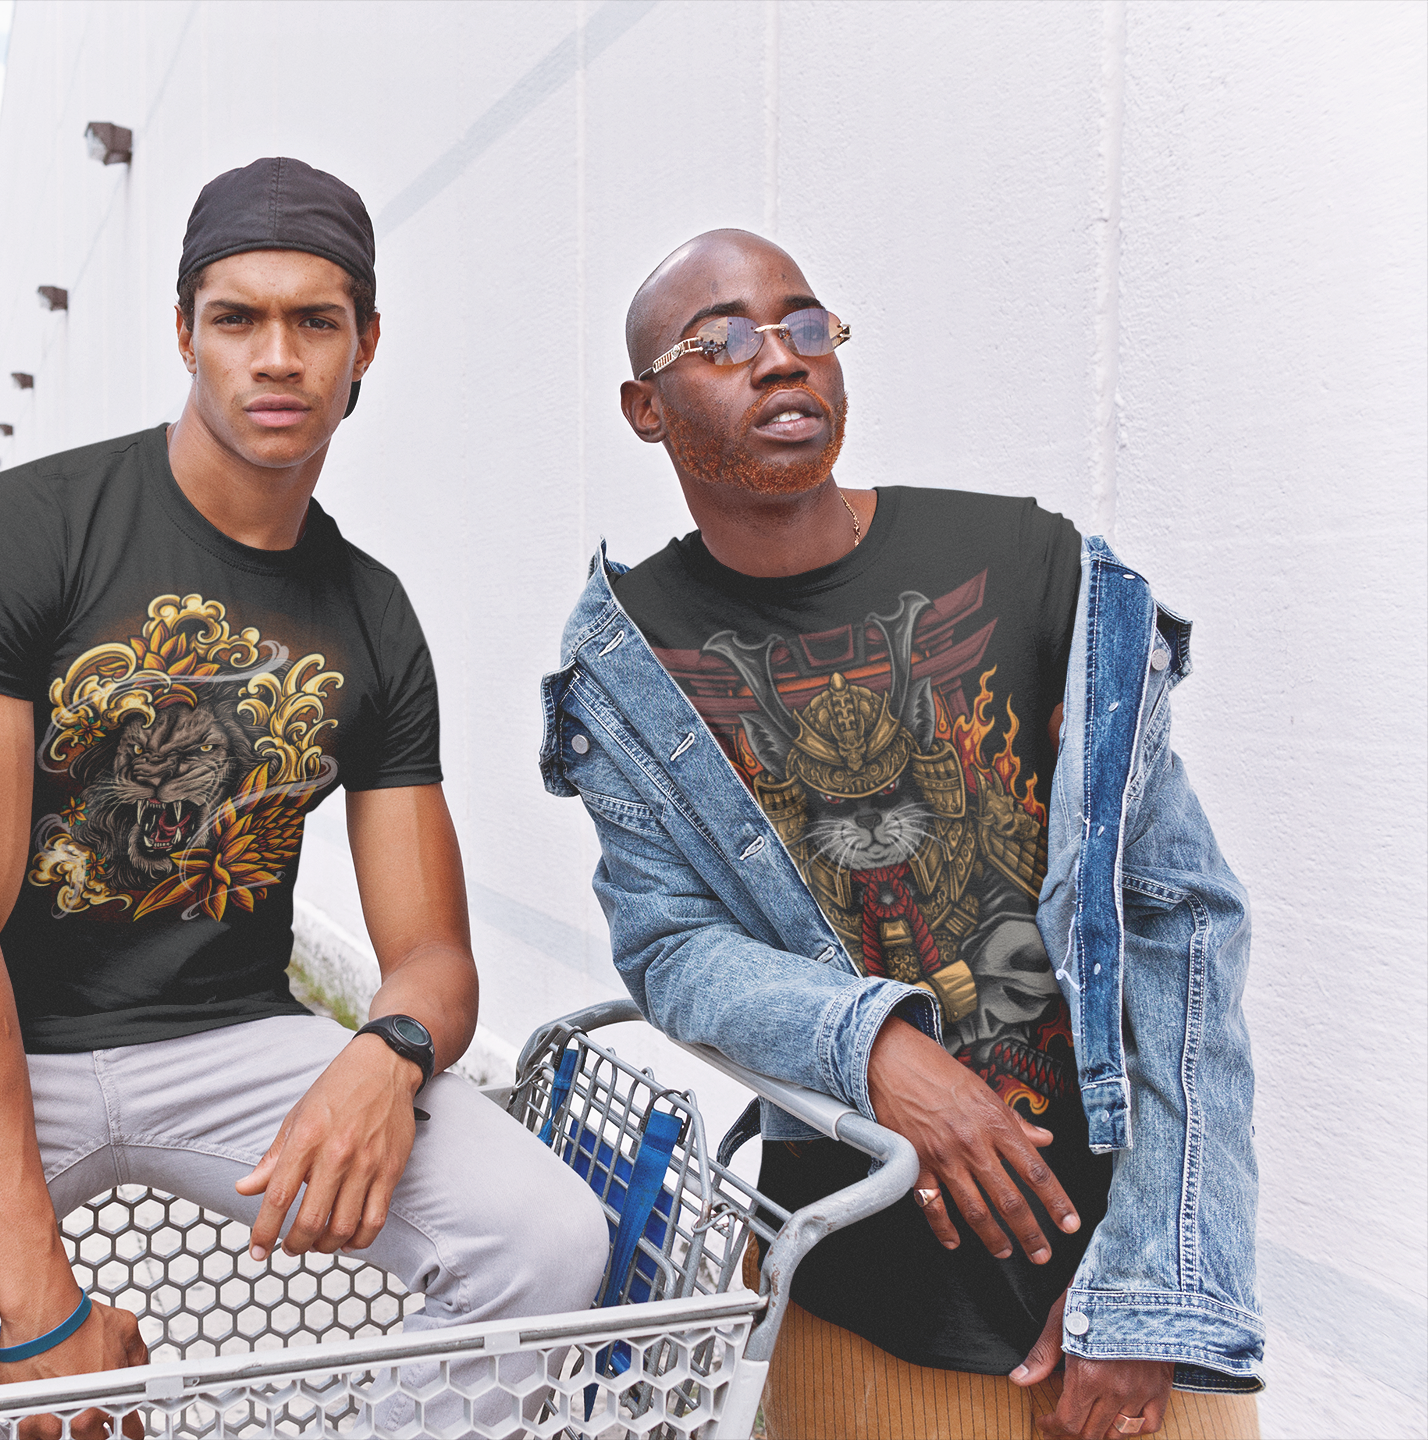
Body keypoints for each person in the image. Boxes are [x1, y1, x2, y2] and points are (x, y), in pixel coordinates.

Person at [0, 157, 607, 1427]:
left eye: (315, 320)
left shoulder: (372, 613)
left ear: (366, 346)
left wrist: (386, 1054)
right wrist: (47, 1315)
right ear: (184, 332)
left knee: (548, 1241)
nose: (276, 357)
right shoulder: (30, 530)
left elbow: (436, 960)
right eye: (238, 318)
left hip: (229, 1038)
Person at [539, 229, 1262, 1440]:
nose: (778, 361)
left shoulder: (1026, 563)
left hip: (1124, 1278)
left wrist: (1149, 1295)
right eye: (718, 341)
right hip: (867, 1292)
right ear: (644, 408)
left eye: (804, 325)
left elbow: (1181, 921)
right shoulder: (630, 660)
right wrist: (875, 1048)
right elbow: (667, 944)